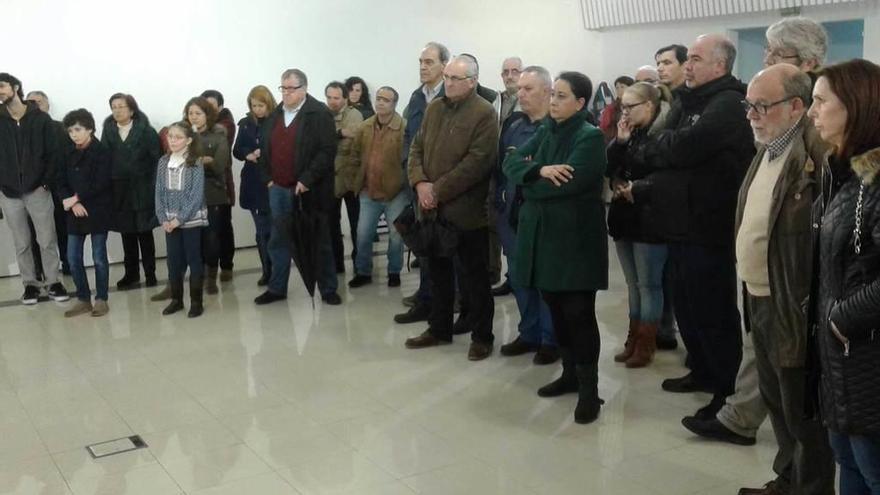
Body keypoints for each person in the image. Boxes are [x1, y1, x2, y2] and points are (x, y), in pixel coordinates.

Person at [686, 16, 829, 452]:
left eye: (776, 54)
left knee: (797, 402)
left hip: (794, 290)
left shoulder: (815, 138)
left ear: (807, 65)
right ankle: (771, 458)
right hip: (760, 283)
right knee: (769, 377)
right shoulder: (773, 132)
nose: (765, 60)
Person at [730, 64, 836, 495]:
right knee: (775, 401)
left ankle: (810, 489)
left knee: (801, 412)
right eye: (749, 105)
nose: (752, 114)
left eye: (761, 105)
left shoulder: (817, 154)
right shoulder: (767, 147)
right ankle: (786, 480)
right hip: (758, 296)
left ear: (797, 106)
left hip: (792, 302)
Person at [649, 35, 754, 425]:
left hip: (710, 225)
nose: (687, 65)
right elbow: (660, 145)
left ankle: (725, 391)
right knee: (688, 306)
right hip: (681, 222)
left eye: (694, 59)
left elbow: (681, 148)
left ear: (719, 65)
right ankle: (703, 370)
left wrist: (669, 147)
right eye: (687, 59)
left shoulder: (728, 102)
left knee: (713, 310)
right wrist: (669, 147)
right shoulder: (686, 100)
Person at [504, 71, 608, 423]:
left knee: (578, 313)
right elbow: (510, 161)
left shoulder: (589, 137)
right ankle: (568, 375)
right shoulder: (547, 128)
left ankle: (590, 391)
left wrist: (530, 182)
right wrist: (539, 171)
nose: (553, 102)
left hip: (574, 240)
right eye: (553, 96)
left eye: (562, 96)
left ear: (580, 103)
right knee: (557, 311)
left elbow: (568, 184)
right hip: (544, 238)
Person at [809, 58, 880, 495]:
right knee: (850, 468)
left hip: (865, 356)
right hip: (843, 360)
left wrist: (842, 318)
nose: (812, 112)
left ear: (855, 107)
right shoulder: (846, 172)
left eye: (820, 102)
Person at [403, 55, 499, 361]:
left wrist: (437, 190)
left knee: (474, 277)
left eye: (455, 78)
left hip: (466, 212)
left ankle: (482, 336)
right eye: (446, 77)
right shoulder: (435, 108)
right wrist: (420, 184)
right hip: (431, 210)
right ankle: (438, 328)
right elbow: (416, 148)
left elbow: (477, 162)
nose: (448, 82)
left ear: (472, 81)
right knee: (437, 273)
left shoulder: (484, 113)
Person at [254, 68, 341, 306]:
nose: (286, 93)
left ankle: (328, 288)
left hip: (308, 190)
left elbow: (326, 152)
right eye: (283, 88)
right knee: (278, 240)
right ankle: (277, 287)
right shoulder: (274, 115)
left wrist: (306, 179)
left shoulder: (319, 114)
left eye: (291, 89)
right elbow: (264, 150)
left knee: (318, 240)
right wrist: (268, 179)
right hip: (278, 189)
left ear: (304, 89)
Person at [605, 82, 672, 368]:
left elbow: (665, 175)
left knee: (649, 285)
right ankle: (633, 339)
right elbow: (609, 168)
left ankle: (646, 343)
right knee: (633, 285)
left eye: (631, 107)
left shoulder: (664, 134)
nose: (625, 112)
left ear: (649, 106)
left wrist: (637, 187)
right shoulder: (628, 133)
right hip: (624, 216)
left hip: (650, 219)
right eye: (623, 106)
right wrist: (619, 142)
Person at [495, 66, 558, 365]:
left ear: (547, 91)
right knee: (520, 278)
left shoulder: (558, 128)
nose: (520, 94)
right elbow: (503, 167)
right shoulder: (515, 126)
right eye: (519, 89)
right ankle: (529, 332)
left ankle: (550, 339)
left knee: (545, 279)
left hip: (543, 218)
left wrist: (524, 168)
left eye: (528, 89)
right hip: (511, 215)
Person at [0, 73, 69, 305]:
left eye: (2, 86)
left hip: (38, 189)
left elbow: (53, 154)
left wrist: (45, 182)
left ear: (15, 88)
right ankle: (30, 284)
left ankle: (53, 282)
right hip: (9, 192)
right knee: (22, 242)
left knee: (47, 238)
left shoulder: (40, 119)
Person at [394, 41, 449, 325]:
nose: (423, 67)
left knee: (447, 249)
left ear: (444, 66)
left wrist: (436, 184)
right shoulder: (416, 98)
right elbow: (409, 142)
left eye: (429, 62)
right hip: (419, 185)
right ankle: (427, 299)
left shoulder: (453, 96)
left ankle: (445, 301)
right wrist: (413, 176)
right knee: (425, 246)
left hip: (446, 188)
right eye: (421, 62)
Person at [347, 86, 410, 288]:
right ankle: (363, 271)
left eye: (386, 99)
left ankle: (394, 272)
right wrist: (356, 179)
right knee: (363, 233)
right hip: (368, 191)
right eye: (378, 98)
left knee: (396, 235)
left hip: (396, 193)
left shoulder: (404, 128)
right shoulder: (365, 127)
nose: (381, 102)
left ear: (394, 104)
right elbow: (355, 154)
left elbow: (409, 159)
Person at [57, 109, 113, 318]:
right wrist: (72, 203)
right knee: (73, 258)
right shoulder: (66, 152)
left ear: (89, 129)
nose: (74, 134)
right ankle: (82, 298)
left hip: (97, 209)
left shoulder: (102, 152)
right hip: (74, 210)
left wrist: (77, 198)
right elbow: (60, 180)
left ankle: (101, 299)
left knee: (99, 257)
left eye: (78, 130)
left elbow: (101, 183)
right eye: (71, 131)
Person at [103, 93, 161, 290]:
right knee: (127, 234)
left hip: (143, 187)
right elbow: (105, 159)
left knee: (145, 233)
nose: (117, 110)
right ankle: (131, 274)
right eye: (114, 107)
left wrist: (154, 186)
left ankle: (150, 273)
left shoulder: (146, 131)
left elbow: (156, 160)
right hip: (120, 190)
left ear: (132, 109)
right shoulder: (109, 131)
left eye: (121, 106)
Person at [155, 122, 208, 318]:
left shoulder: (195, 162)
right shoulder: (163, 162)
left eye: (178, 137)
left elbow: (195, 196)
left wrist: (180, 219)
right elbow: (159, 192)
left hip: (191, 220)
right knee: (173, 262)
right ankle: (176, 300)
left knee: (194, 260)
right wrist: (163, 217)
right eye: (170, 136)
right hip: (169, 221)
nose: (173, 140)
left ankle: (196, 302)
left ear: (188, 140)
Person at [184, 96, 231, 295]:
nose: (193, 117)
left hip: (214, 194)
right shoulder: (183, 135)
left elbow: (220, 164)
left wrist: (195, 161)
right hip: (189, 195)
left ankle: (212, 277)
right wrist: (203, 160)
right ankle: (198, 275)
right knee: (195, 239)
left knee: (212, 238)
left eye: (198, 113)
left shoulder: (219, 136)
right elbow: (179, 162)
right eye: (190, 113)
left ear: (207, 115)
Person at [233, 85, 276, 286]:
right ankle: (267, 270)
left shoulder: (278, 121)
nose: (257, 109)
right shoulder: (246, 124)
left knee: (273, 229)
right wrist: (248, 154)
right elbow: (237, 150)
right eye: (253, 105)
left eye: (261, 105)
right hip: (252, 180)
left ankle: (276, 269)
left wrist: (263, 151)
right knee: (261, 230)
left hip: (273, 180)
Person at [25, 90, 68, 278]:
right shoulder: (21, 131)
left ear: (48, 105)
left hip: (58, 189)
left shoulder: (61, 128)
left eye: (39, 102)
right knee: (35, 233)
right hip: (32, 190)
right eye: (31, 102)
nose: (36, 106)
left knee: (64, 229)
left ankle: (68, 264)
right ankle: (40, 269)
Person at [326, 81, 364, 274]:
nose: (332, 102)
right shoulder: (322, 115)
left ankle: (361, 265)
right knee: (331, 225)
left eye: (336, 98)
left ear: (345, 98)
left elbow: (356, 137)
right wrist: (340, 133)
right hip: (329, 180)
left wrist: (335, 135)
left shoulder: (355, 114)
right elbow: (321, 140)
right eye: (329, 98)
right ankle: (336, 264)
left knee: (358, 225)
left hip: (351, 178)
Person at [201, 90, 236, 282]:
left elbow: (217, 156)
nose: (207, 109)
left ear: (220, 107)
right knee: (208, 230)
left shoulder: (225, 125)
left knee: (223, 227)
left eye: (212, 105)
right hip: (202, 186)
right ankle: (210, 267)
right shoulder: (197, 127)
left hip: (221, 183)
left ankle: (226, 266)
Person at [599, 76, 634, 143]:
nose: (619, 90)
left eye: (622, 87)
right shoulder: (611, 108)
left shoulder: (637, 106)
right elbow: (603, 126)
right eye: (617, 88)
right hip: (613, 141)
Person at [498, 57, 523, 125]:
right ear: (502, 76)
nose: (509, 77)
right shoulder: (496, 101)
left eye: (514, 72)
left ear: (522, 75)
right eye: (506, 72)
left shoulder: (528, 101)